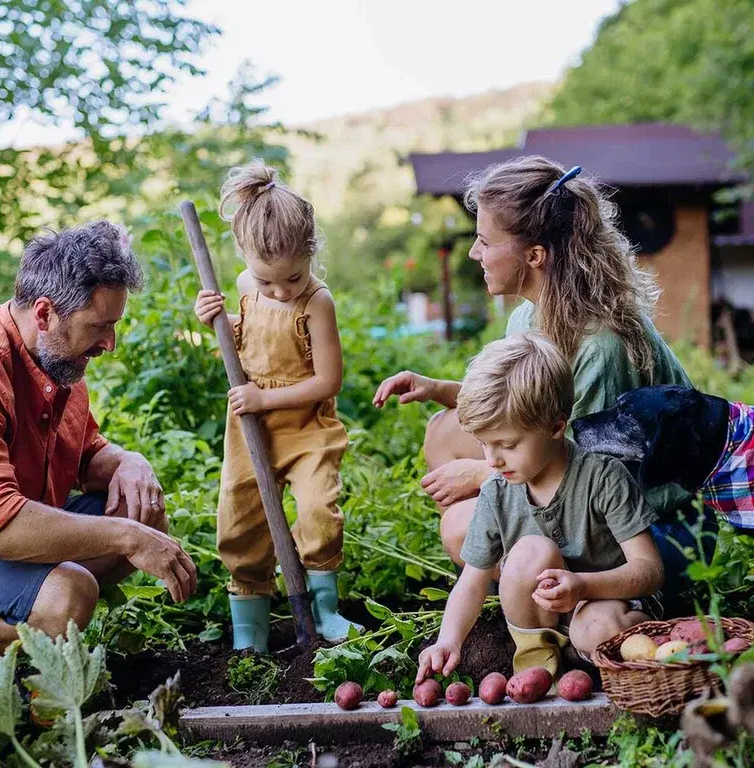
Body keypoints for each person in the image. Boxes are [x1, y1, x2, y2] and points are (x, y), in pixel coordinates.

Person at [373, 156, 711, 597]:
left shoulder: (598, 346)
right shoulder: (529, 316)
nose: (475, 253)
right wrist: (440, 390)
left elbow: (585, 465)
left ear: (534, 256)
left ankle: (549, 590)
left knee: (461, 527)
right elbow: (525, 408)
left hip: (655, 530)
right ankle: (523, 572)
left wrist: (481, 475)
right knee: (444, 430)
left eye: (485, 242)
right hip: (584, 483)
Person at [0, 221, 197, 651]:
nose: (111, 344)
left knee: (143, 510)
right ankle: (39, 630)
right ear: (45, 314)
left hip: (8, 534)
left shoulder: (58, 358)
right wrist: (126, 537)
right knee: (71, 592)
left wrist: (127, 460)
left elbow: (85, 454)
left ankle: (44, 622)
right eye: (100, 326)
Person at [416, 334, 664, 683]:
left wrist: (582, 586)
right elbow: (472, 583)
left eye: (507, 444)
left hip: (608, 601)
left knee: (595, 630)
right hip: (546, 615)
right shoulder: (497, 491)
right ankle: (539, 662)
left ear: (555, 427)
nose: (492, 459)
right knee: (529, 552)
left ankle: (623, 645)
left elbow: (649, 570)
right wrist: (448, 640)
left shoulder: (603, 477)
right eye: (484, 445)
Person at [194, 160, 361, 652]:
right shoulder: (248, 288)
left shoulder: (316, 302)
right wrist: (216, 321)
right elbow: (246, 339)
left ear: (310, 253)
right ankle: (251, 628)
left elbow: (329, 380)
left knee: (317, 511)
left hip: (306, 426)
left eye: (292, 277)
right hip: (250, 428)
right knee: (240, 518)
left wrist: (265, 396)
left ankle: (325, 610)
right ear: (244, 257)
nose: (281, 291)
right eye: (267, 282)